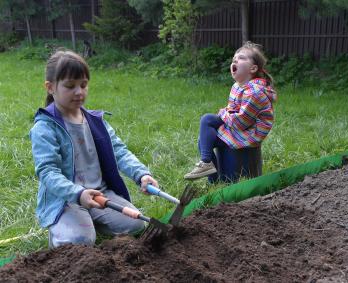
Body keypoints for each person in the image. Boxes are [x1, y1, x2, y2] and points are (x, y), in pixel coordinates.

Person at [29, 50, 159, 248]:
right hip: (66, 200)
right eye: (70, 86)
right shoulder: (45, 128)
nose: (79, 92)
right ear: (50, 87)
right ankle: (67, 228)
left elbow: (120, 151)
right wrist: (77, 194)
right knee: (79, 242)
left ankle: (90, 220)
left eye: (83, 85)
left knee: (137, 224)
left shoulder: (96, 121)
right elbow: (47, 172)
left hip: (100, 194)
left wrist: (141, 174)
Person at [184, 41, 277, 180]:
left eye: (241, 58)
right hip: (239, 126)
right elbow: (232, 111)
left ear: (253, 68)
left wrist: (222, 114)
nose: (235, 60)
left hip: (249, 133)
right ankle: (211, 176)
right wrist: (225, 114)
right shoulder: (237, 86)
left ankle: (208, 164)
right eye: (234, 59)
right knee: (205, 134)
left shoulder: (254, 92)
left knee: (208, 122)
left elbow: (241, 122)